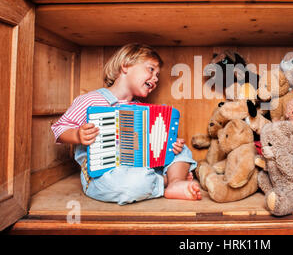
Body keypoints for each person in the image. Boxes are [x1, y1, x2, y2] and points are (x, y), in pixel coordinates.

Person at [51, 43, 202, 205]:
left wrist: (169, 146)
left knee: (181, 149)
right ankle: (165, 181)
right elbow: (59, 128)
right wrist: (77, 135)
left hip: (143, 168)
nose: (156, 78)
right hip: (104, 175)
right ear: (125, 66)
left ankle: (175, 182)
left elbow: (152, 150)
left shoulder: (143, 111)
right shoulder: (91, 100)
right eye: (151, 69)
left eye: (157, 75)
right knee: (128, 185)